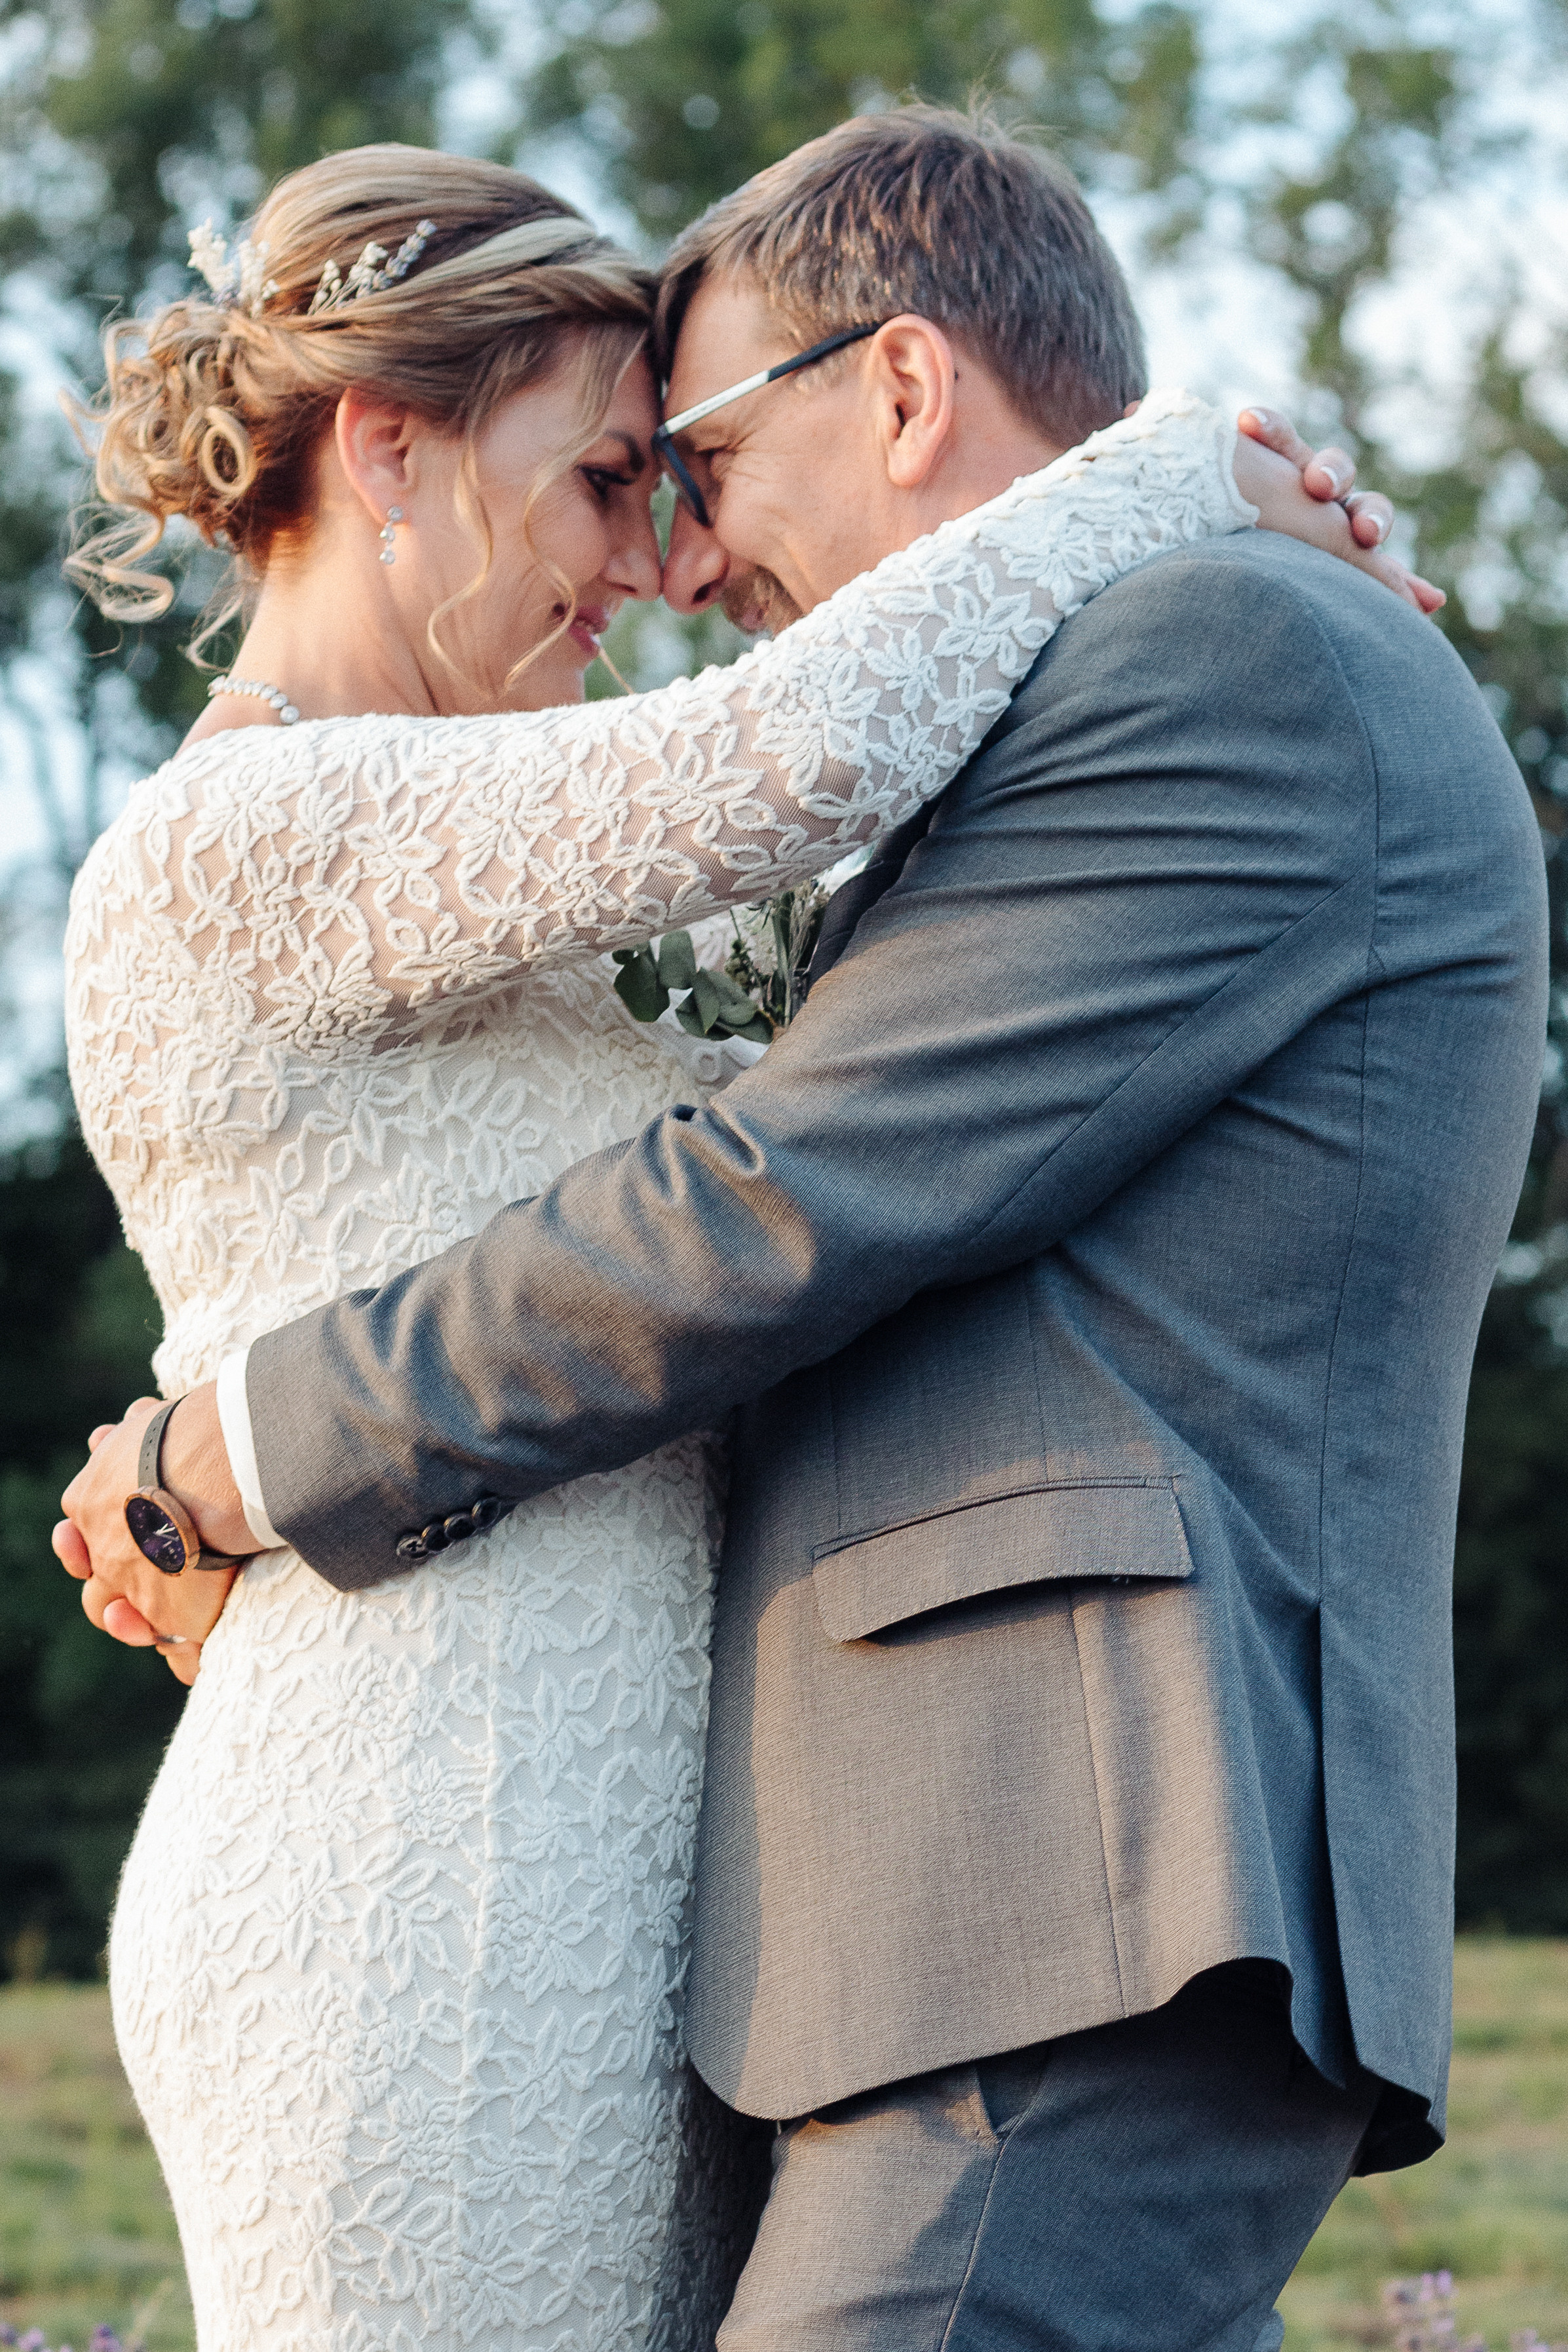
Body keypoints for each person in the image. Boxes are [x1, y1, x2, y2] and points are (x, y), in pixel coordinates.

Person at [54, 109, 1501, 2352]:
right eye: (619, 477)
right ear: (392, 453)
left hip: (1065, 1876)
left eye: (693, 462)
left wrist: (244, 1442)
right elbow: (777, 794)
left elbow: (782, 1186)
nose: (672, 555)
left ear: (901, 391)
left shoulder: (1216, 653)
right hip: (519, 1868)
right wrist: (1176, 466)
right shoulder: (271, 830)